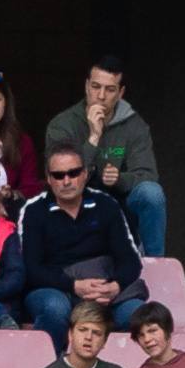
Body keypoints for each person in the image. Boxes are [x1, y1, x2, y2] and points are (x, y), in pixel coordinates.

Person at [20, 146, 144, 346]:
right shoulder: (34, 210)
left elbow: (130, 260)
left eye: (74, 173)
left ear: (85, 174)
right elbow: (31, 268)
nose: (66, 181)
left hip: (104, 290)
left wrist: (114, 286)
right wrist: (74, 286)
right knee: (55, 308)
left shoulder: (106, 205)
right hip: (55, 289)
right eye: (58, 175)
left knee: (138, 314)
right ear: (49, 178)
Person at [42, 58, 164, 255]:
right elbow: (59, 175)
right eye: (96, 87)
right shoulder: (63, 124)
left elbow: (148, 175)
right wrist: (94, 137)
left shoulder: (134, 125)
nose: (100, 96)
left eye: (109, 89)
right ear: (86, 86)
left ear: (120, 93)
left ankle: (154, 264)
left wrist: (120, 179)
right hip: (77, 201)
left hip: (122, 203)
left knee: (152, 194)